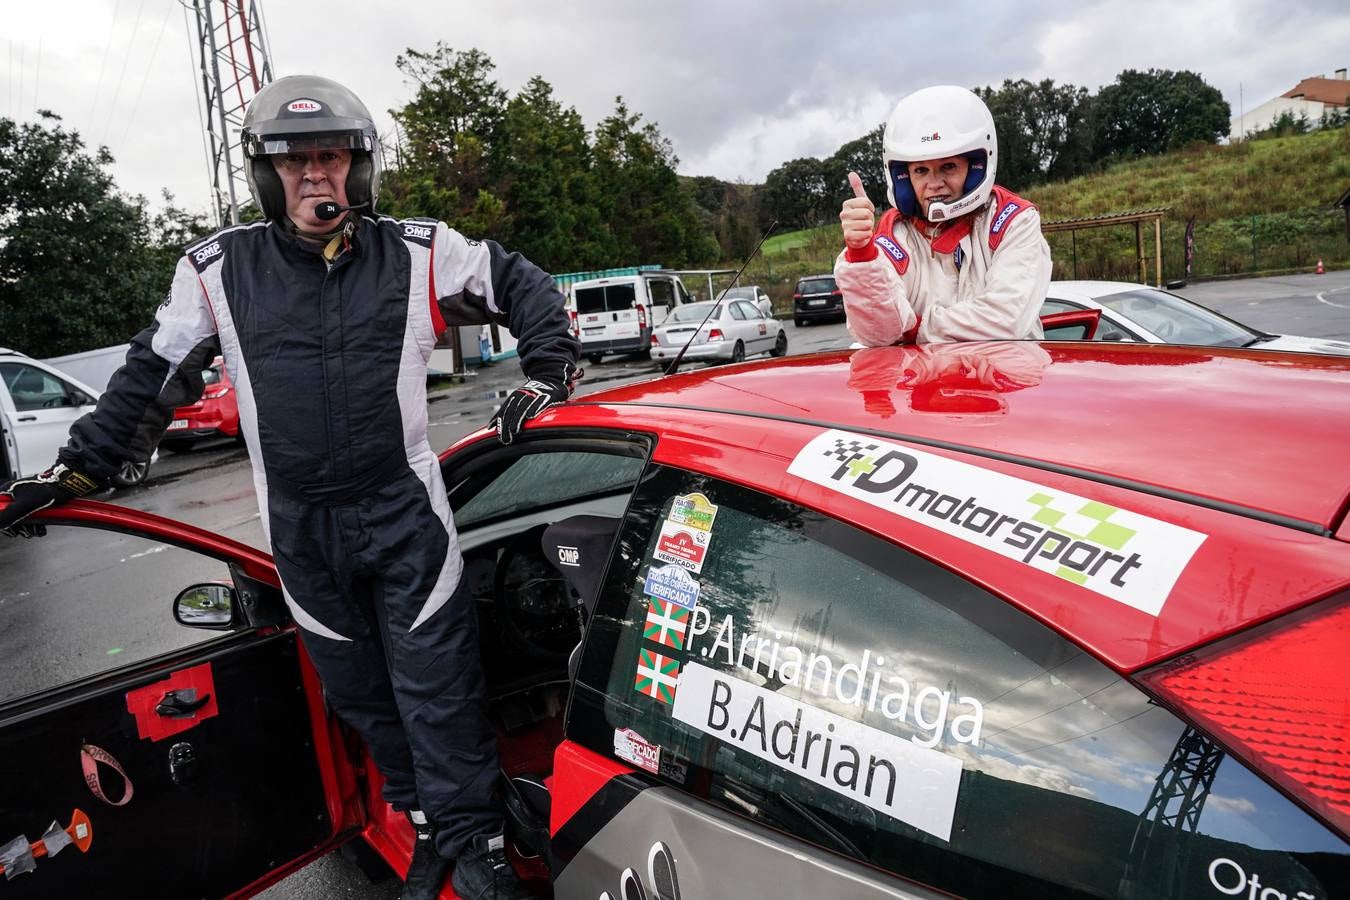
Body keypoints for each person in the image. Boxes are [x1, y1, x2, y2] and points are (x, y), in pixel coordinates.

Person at [0, 75, 579, 900]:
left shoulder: (419, 250)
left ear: (360, 168)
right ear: (266, 176)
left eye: (333, 157)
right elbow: (150, 374)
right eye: (295, 161)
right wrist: (76, 470)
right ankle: (423, 831)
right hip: (303, 535)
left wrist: (549, 372)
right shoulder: (213, 269)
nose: (317, 176)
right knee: (363, 700)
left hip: (405, 516)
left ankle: (477, 844)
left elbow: (520, 282)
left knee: (439, 690)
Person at [836, 84, 1052, 346]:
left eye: (948, 166)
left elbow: (1007, 319)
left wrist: (916, 329)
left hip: (1005, 381)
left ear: (975, 168)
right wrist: (861, 255)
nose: (934, 183)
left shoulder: (1012, 221)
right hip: (927, 384)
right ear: (903, 178)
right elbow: (878, 334)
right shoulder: (894, 237)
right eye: (921, 171)